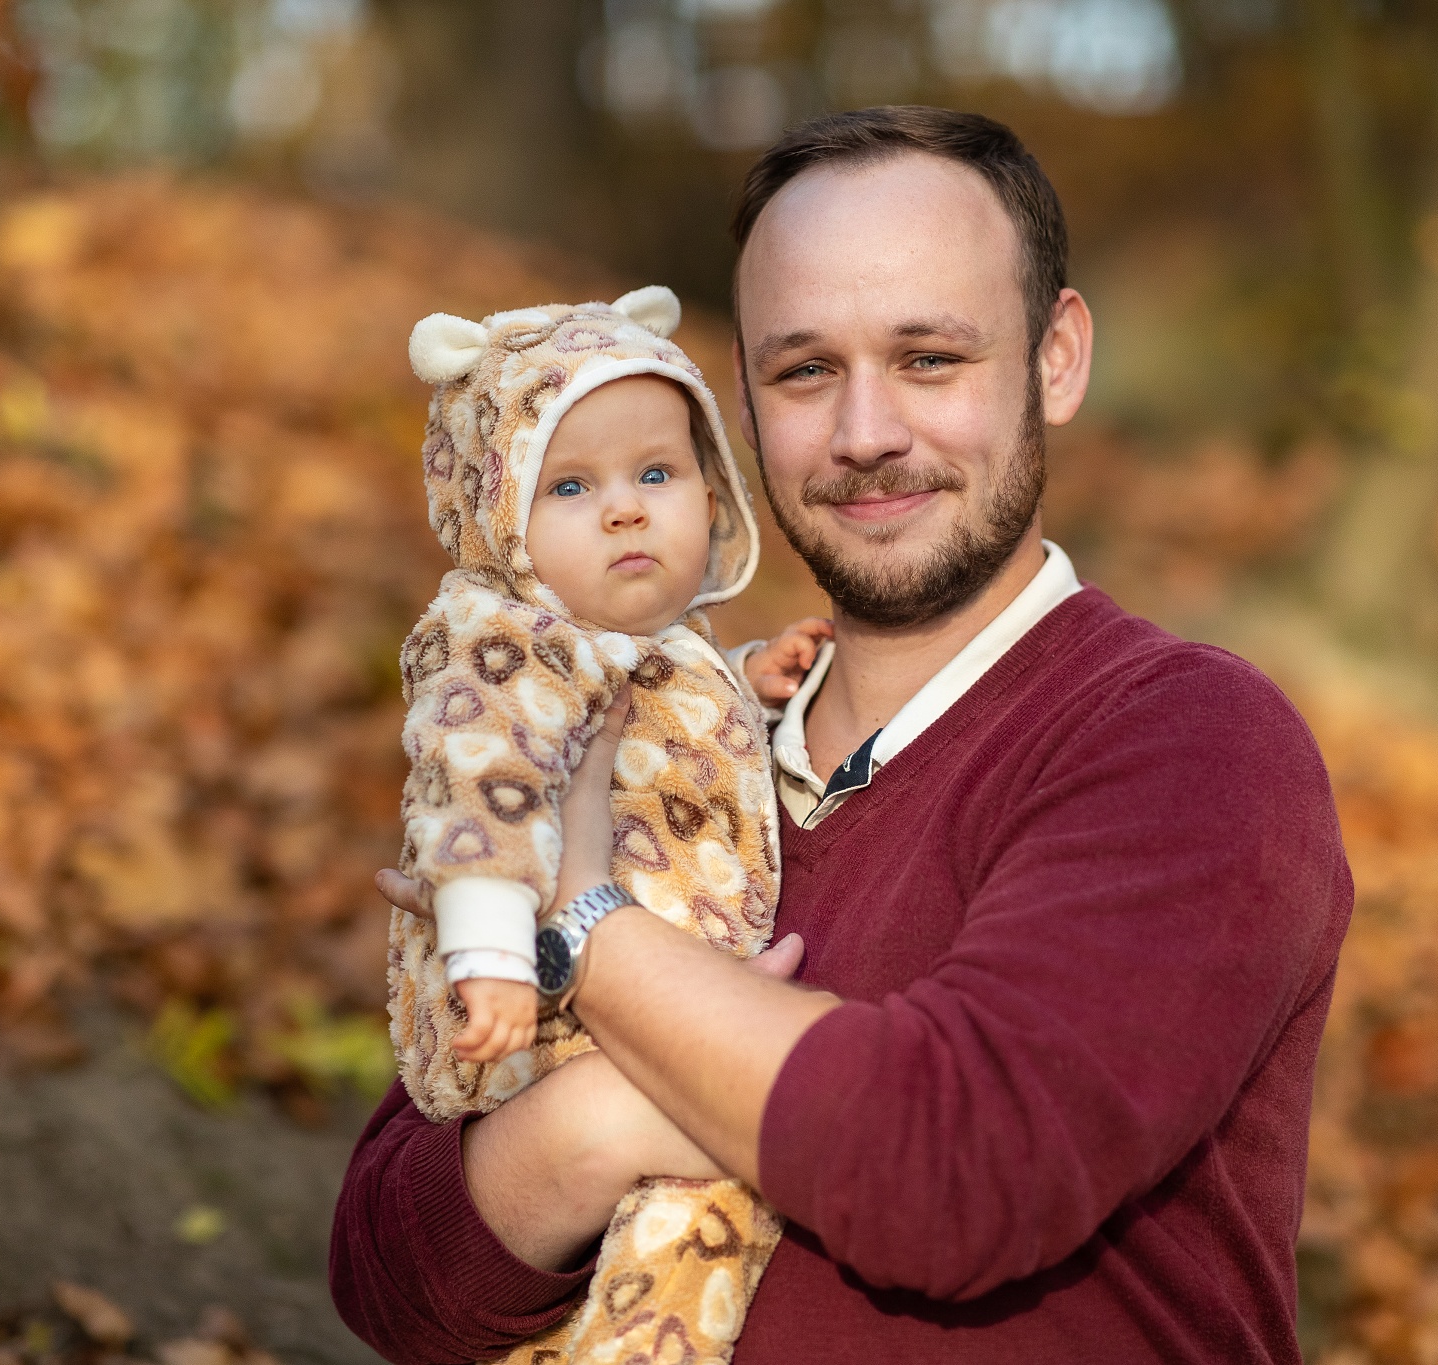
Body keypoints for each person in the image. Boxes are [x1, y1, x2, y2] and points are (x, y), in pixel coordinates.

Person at [333, 105, 1353, 1363]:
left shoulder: (1191, 741)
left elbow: (956, 1172)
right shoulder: (655, 737)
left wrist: (585, 928)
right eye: (804, 371)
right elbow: (392, 1278)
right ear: (741, 403)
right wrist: (607, 1120)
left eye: (928, 358)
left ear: (1054, 359)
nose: (865, 432)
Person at [388, 285, 826, 1364]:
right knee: (695, 1218)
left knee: (696, 1226)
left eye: (656, 474)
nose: (625, 510)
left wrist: (743, 680)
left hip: (656, 1005)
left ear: (711, 489)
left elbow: (654, 729)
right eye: (572, 485)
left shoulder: (654, 645)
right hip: (551, 1014)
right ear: (498, 516)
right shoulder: (506, 646)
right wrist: (493, 956)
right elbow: (477, 792)